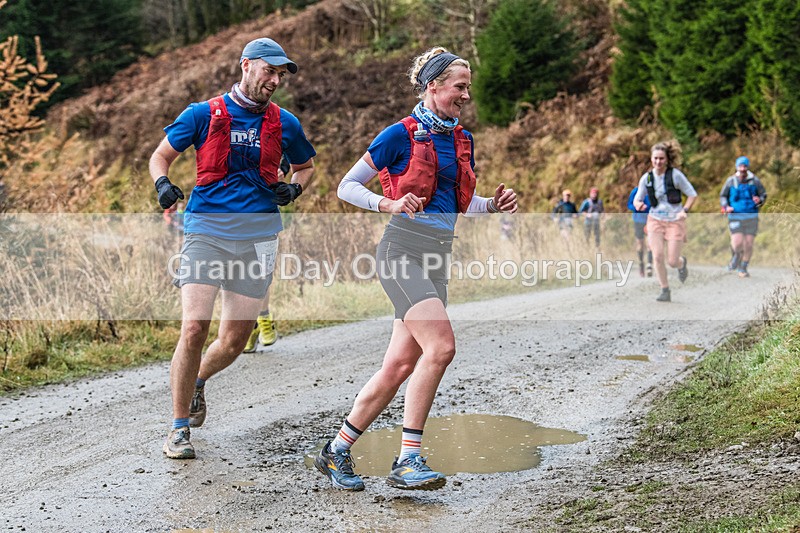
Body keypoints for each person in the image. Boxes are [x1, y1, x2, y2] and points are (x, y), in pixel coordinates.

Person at [315, 47, 517, 492]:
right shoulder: (399, 134)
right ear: (433, 86)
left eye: (468, 87)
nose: (466, 95)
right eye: (459, 86)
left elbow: (458, 205)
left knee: (400, 364)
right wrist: (389, 202)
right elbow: (346, 187)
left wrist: (491, 206)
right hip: (401, 252)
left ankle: (336, 451)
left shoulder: (462, 139)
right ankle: (408, 459)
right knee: (441, 347)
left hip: (437, 256)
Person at [149, 37, 316, 459]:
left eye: (281, 74)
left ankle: (198, 381)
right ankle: (178, 428)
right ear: (246, 65)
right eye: (269, 71)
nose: (275, 80)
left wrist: (292, 190)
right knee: (193, 327)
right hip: (206, 231)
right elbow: (159, 157)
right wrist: (163, 184)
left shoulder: (285, 123)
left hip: (259, 237)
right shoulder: (203, 114)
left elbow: (306, 167)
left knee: (234, 341)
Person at [633, 141, 697, 302]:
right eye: (655, 158)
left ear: (667, 159)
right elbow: (637, 199)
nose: (658, 162)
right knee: (657, 256)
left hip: (675, 220)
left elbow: (692, 194)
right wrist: (638, 204)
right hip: (655, 220)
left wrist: (685, 210)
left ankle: (682, 265)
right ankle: (665, 289)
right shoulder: (646, 178)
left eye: (661, 158)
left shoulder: (675, 175)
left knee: (672, 261)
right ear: (651, 159)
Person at [242, 153, 291, 352]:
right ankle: (249, 325)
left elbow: (293, 148)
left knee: (260, 271)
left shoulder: (276, 122)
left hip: (263, 207)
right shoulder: (223, 123)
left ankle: (262, 319)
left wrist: (284, 169)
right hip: (228, 207)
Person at [719, 156, 767, 278]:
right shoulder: (731, 181)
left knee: (749, 244)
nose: (743, 168)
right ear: (737, 167)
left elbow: (763, 195)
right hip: (735, 216)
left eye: (745, 166)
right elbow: (723, 196)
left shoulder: (755, 181)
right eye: (740, 166)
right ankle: (736, 256)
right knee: (737, 243)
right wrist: (726, 206)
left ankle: (743, 267)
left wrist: (759, 200)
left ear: (748, 167)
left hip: (751, 215)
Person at [627, 186, 652, 277]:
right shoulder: (635, 191)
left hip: (650, 220)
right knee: (640, 244)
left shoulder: (653, 190)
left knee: (650, 243)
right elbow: (629, 204)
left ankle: (649, 265)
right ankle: (641, 263)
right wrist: (637, 207)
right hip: (638, 220)